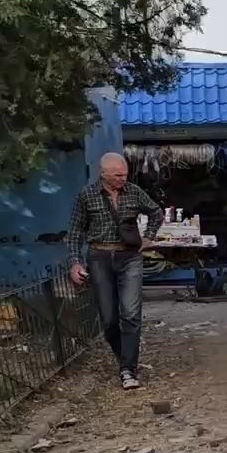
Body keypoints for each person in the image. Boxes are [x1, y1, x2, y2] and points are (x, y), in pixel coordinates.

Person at [68, 152, 162, 390]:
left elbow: (156, 212)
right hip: (99, 257)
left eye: (125, 174)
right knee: (109, 319)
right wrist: (75, 262)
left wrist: (149, 237)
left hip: (129, 256)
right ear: (104, 174)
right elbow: (75, 231)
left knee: (130, 313)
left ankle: (128, 369)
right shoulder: (87, 195)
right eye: (118, 175)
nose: (123, 178)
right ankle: (124, 360)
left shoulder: (133, 191)